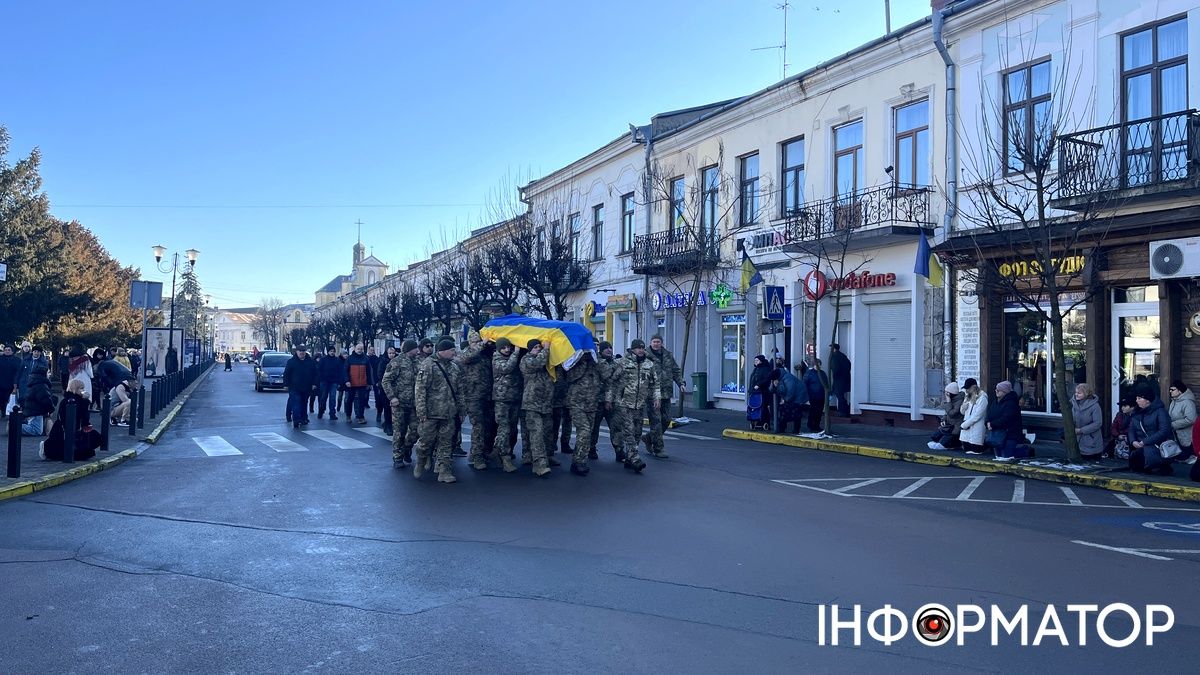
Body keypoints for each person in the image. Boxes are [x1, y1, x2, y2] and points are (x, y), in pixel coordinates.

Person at [414, 339, 463, 483]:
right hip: (431, 412)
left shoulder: (454, 367)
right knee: (426, 441)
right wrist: (421, 411)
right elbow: (420, 389)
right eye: (452, 350)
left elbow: (460, 391)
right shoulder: (429, 365)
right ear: (443, 351)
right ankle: (421, 459)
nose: (454, 352)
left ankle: (444, 471)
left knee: (446, 443)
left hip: (449, 412)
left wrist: (461, 410)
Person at [454, 331, 495, 471]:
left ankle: (484, 451)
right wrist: (481, 345)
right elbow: (465, 358)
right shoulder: (467, 353)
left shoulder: (485, 355)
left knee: (489, 425)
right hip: (472, 396)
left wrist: (489, 346)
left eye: (480, 342)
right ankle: (477, 456)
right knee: (479, 426)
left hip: (487, 395)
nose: (479, 345)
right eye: (476, 342)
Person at [615, 339, 657, 473]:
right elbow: (613, 381)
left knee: (637, 432)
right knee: (629, 432)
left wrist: (657, 398)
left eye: (642, 348)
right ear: (632, 349)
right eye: (638, 348)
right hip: (625, 403)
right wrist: (613, 399)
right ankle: (635, 459)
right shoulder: (623, 363)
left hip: (640, 404)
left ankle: (629, 458)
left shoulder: (649, 364)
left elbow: (655, 383)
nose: (640, 350)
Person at [644, 335, 685, 459]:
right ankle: (658, 448)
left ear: (661, 343)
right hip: (652, 394)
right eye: (654, 342)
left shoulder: (668, 355)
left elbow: (675, 370)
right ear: (650, 343)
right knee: (656, 421)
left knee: (666, 420)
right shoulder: (645, 356)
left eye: (658, 342)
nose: (656, 344)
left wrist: (681, 383)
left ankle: (648, 437)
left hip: (666, 393)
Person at [519, 340, 555, 478]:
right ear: (529, 350)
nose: (538, 349)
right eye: (535, 347)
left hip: (545, 404)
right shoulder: (526, 360)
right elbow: (536, 364)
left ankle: (543, 458)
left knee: (546, 434)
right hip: (531, 404)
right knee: (537, 434)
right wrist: (546, 349)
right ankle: (539, 465)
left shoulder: (547, 361)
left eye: (540, 347)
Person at [382, 340, 420, 469]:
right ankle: (397, 457)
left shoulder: (418, 362)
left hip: (415, 403)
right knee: (399, 431)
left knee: (416, 430)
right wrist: (392, 397)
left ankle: (406, 449)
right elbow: (386, 381)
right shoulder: (396, 362)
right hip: (400, 403)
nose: (418, 350)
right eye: (416, 348)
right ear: (411, 349)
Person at [41, 379, 98, 461]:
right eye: (81, 388)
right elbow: (81, 416)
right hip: (66, 431)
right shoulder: (71, 401)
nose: (83, 390)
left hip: (74, 430)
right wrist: (85, 402)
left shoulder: (76, 401)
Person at [590, 341, 627, 462]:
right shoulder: (598, 361)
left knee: (616, 426)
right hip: (598, 400)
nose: (609, 350)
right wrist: (621, 366)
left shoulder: (615, 361)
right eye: (606, 348)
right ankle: (591, 448)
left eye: (610, 347)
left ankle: (619, 451)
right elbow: (608, 375)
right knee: (594, 427)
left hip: (614, 400)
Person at [491, 337, 523, 473]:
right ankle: (505, 457)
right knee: (504, 429)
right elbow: (506, 368)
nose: (507, 349)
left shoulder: (513, 357)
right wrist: (516, 353)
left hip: (514, 398)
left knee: (513, 429)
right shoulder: (497, 359)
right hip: (501, 399)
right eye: (504, 348)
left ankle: (500, 451)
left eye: (508, 347)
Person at [565, 351, 600, 475]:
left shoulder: (596, 363)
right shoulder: (574, 361)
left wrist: (597, 360)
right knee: (584, 431)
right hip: (576, 403)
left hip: (591, 404)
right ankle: (579, 462)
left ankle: (578, 460)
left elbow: (607, 375)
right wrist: (583, 361)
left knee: (587, 434)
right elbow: (570, 377)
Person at [1129, 384, 1174, 476]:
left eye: (1139, 398)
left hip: (1157, 446)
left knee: (1147, 459)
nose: (1136, 401)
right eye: (1136, 398)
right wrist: (1133, 441)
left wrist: (1144, 442)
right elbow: (1131, 429)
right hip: (1140, 447)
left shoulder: (1160, 412)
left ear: (1147, 400)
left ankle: (1160, 466)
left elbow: (1164, 431)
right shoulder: (1136, 413)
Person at [282, 345, 319, 428]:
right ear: (297, 352)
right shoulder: (291, 362)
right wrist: (286, 384)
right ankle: (296, 420)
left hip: (307, 386)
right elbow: (286, 374)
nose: (302, 353)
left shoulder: (310, 362)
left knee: (304, 403)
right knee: (296, 403)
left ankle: (303, 418)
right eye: (300, 351)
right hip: (294, 387)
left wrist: (314, 383)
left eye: (303, 351)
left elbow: (315, 374)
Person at [986, 381, 1023, 462]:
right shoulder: (996, 401)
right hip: (997, 432)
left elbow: (1007, 418)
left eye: (998, 390)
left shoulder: (1011, 403)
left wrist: (992, 424)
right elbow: (990, 413)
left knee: (1006, 456)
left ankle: (1026, 452)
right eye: (996, 389)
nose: (996, 391)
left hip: (1010, 433)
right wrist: (988, 422)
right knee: (998, 457)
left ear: (1005, 391)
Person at [1070, 383, 1105, 461]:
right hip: (1077, 439)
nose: (1076, 394)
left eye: (1079, 393)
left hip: (1092, 440)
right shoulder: (1074, 405)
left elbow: (1098, 423)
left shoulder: (1095, 406)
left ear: (1086, 393)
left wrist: (1081, 430)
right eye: (1076, 392)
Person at [773, 364, 810, 434]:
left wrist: (785, 400)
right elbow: (782, 390)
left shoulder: (787, 379)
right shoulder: (782, 378)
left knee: (794, 414)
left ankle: (793, 429)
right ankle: (785, 429)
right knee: (792, 414)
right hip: (794, 398)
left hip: (798, 398)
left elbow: (790, 392)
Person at [928, 382, 966, 450]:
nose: (945, 394)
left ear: (950, 393)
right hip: (948, 425)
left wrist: (948, 402)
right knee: (934, 436)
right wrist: (943, 419)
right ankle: (949, 443)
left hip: (955, 427)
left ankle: (955, 443)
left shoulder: (959, 401)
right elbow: (947, 413)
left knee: (944, 442)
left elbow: (952, 413)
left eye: (947, 393)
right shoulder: (952, 399)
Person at [20, 365, 56, 436]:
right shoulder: (41, 385)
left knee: (36, 428)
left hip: (33, 410)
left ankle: (19, 425)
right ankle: (15, 426)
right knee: (36, 430)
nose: (50, 374)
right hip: (36, 411)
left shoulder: (36, 383)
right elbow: (45, 400)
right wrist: (51, 409)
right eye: (48, 372)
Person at [343, 343, 374, 424]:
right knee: (349, 400)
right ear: (355, 349)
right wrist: (347, 381)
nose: (360, 350)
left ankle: (360, 416)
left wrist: (370, 383)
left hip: (362, 383)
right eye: (358, 349)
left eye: (361, 349)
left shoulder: (365, 359)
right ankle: (348, 415)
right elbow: (345, 371)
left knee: (362, 401)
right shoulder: (349, 359)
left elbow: (369, 371)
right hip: (351, 383)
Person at [1168, 380, 1197, 464]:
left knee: (1188, 456)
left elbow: (1191, 419)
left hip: (1186, 434)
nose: (1170, 391)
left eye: (1173, 389)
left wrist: (1173, 425)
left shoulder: (1188, 402)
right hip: (1176, 433)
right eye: (1170, 389)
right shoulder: (1174, 401)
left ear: (1180, 391)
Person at [958, 378, 988, 454]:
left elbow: (978, 415)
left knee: (975, 450)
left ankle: (987, 446)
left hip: (976, 426)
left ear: (973, 387)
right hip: (967, 427)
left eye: (968, 388)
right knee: (966, 449)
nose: (966, 390)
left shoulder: (982, 398)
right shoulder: (967, 396)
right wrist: (963, 407)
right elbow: (962, 412)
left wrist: (965, 424)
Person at [748, 355, 775, 431]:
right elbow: (752, 380)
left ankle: (765, 422)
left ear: (761, 361)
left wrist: (759, 384)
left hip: (762, 392)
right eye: (755, 360)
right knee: (755, 407)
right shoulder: (756, 369)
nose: (755, 362)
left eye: (757, 360)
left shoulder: (765, 369)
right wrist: (750, 390)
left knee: (763, 407)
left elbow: (767, 379)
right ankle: (756, 421)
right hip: (754, 392)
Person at [802, 357, 829, 433]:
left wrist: (828, 393)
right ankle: (811, 425)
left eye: (820, 365)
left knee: (819, 412)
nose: (819, 366)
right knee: (813, 411)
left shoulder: (822, 373)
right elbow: (804, 384)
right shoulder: (809, 373)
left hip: (821, 395)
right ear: (814, 365)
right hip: (813, 395)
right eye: (817, 365)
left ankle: (817, 425)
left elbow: (826, 383)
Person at [376, 345, 398, 435]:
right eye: (390, 353)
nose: (391, 355)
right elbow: (380, 375)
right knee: (387, 407)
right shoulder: (383, 362)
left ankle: (390, 424)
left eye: (393, 353)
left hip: (395, 388)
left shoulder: (398, 361)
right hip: (385, 388)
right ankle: (388, 425)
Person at [316, 347, 342, 420]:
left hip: (334, 382)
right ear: (328, 352)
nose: (332, 353)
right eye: (331, 351)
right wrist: (321, 379)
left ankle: (332, 414)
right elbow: (319, 370)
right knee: (323, 398)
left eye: (333, 351)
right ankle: (321, 411)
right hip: (324, 381)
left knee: (332, 398)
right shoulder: (323, 360)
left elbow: (340, 371)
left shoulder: (337, 360)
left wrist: (339, 381)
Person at [829, 343, 852, 417]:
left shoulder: (835, 357)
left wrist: (835, 377)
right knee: (840, 394)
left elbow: (835, 368)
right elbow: (849, 364)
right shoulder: (843, 356)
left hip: (838, 379)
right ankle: (844, 410)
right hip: (845, 378)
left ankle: (843, 411)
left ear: (834, 349)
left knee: (839, 394)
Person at [0, 345, 19, 420]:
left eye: (9, 350)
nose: (7, 351)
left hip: (11, 383)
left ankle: (10, 412)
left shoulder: (16, 360)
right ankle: (3, 411)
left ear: (12, 351)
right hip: (1, 383)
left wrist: (15, 383)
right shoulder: (0, 359)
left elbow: (17, 372)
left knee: (9, 399)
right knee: (1, 399)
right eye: (6, 350)